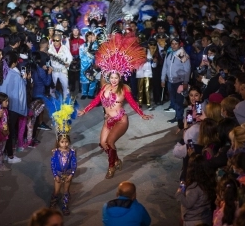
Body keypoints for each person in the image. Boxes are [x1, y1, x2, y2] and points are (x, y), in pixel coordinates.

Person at [78, 33, 153, 179]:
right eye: (111, 77)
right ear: (108, 77)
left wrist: (142, 114)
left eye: (116, 77)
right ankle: (116, 159)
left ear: (120, 77)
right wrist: (85, 110)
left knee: (110, 142)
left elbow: (132, 102)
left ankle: (111, 166)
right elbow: (95, 102)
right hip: (108, 120)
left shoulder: (124, 89)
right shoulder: (105, 88)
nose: (113, 80)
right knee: (103, 144)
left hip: (120, 120)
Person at [175, 154, 216, 226]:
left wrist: (179, 192)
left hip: (194, 220)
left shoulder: (194, 187)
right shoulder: (208, 181)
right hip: (206, 217)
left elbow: (188, 204)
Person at [161, 37, 191, 129]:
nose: (174, 45)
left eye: (176, 44)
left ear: (179, 44)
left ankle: (179, 119)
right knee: (173, 100)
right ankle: (177, 117)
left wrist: (185, 82)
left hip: (179, 82)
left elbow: (187, 69)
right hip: (170, 81)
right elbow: (165, 67)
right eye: (172, 43)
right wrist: (162, 79)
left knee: (179, 101)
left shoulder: (182, 54)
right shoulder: (169, 54)